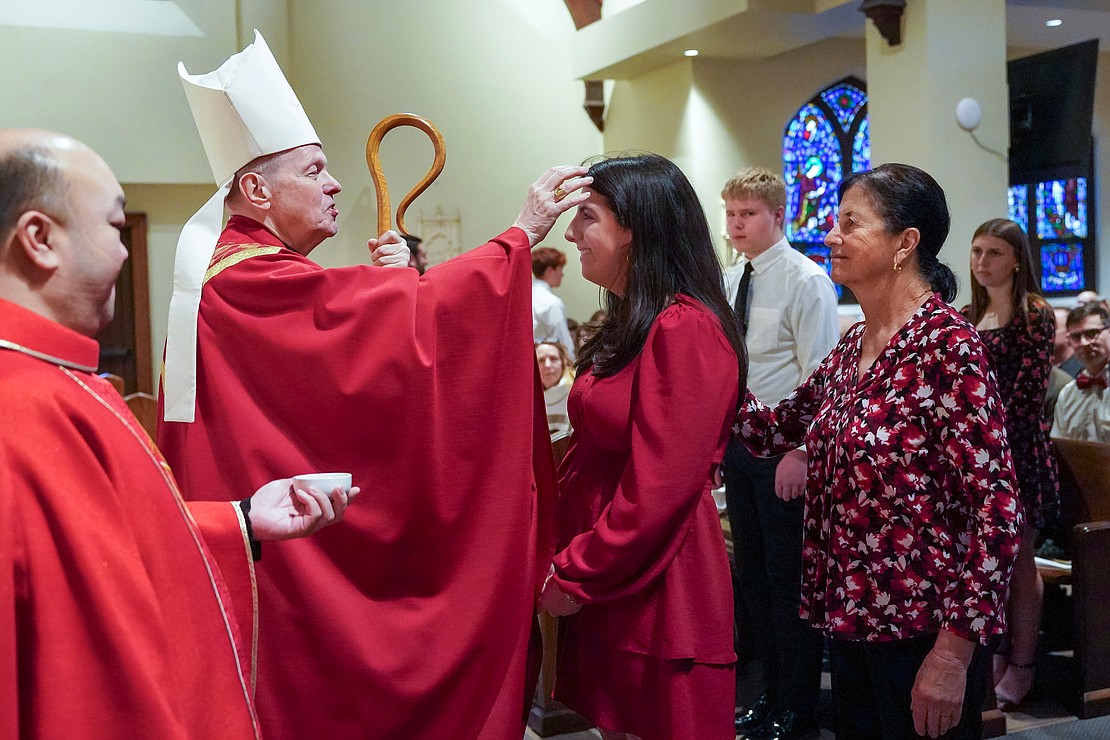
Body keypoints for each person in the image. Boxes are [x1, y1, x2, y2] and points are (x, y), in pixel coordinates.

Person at [157, 33, 590, 740]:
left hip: (275, 548)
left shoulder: (233, 270)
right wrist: (518, 238)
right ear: (257, 189)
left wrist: (395, 293)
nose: (333, 184)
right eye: (316, 170)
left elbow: (342, 350)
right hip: (285, 556)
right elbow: (365, 345)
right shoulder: (246, 278)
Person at [0, 128, 355, 738]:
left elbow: (104, 544)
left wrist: (240, 521)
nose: (124, 253)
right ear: (40, 240)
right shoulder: (22, 410)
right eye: (116, 228)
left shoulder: (60, 380)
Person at [736, 163, 1022, 740]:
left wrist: (954, 654)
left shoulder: (947, 349)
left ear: (904, 243)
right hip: (849, 619)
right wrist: (701, 364)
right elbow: (772, 431)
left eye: (850, 223)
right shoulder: (853, 345)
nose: (831, 236)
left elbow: (997, 513)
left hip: (919, 628)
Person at [538, 153, 746, 740]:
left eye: (586, 216)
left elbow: (660, 487)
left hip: (658, 580)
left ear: (633, 227)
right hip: (617, 576)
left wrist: (579, 572)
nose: (572, 233)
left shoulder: (685, 328)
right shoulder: (634, 315)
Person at [721, 167, 839, 740]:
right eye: (732, 214)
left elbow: (819, 374)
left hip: (784, 454)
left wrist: (801, 452)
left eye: (748, 214)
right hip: (740, 447)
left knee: (788, 583)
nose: (737, 224)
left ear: (777, 216)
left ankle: (798, 706)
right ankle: (766, 697)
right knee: (753, 581)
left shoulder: (806, 280)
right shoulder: (730, 276)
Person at [963, 218, 1058, 708]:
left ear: (1017, 259)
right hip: (977, 458)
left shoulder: (1035, 316)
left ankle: (1023, 663)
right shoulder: (968, 315)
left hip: (1016, 454)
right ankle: (996, 653)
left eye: (994, 253)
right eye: (977, 251)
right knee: (984, 566)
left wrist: (980, 433)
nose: (982, 262)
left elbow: (1025, 399)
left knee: (1019, 564)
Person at [1052, 301, 1110, 443]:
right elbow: (1061, 446)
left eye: (1092, 333)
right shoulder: (1067, 394)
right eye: (1076, 337)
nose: (1084, 342)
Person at [532, 245, 577, 360]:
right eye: (560, 269)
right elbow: (563, 342)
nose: (562, 274)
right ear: (549, 271)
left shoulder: (523, 296)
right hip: (547, 363)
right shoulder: (552, 303)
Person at [536, 340, 574, 435]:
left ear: (563, 362)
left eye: (553, 359)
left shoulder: (575, 393)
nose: (547, 365)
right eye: (541, 360)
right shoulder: (528, 399)